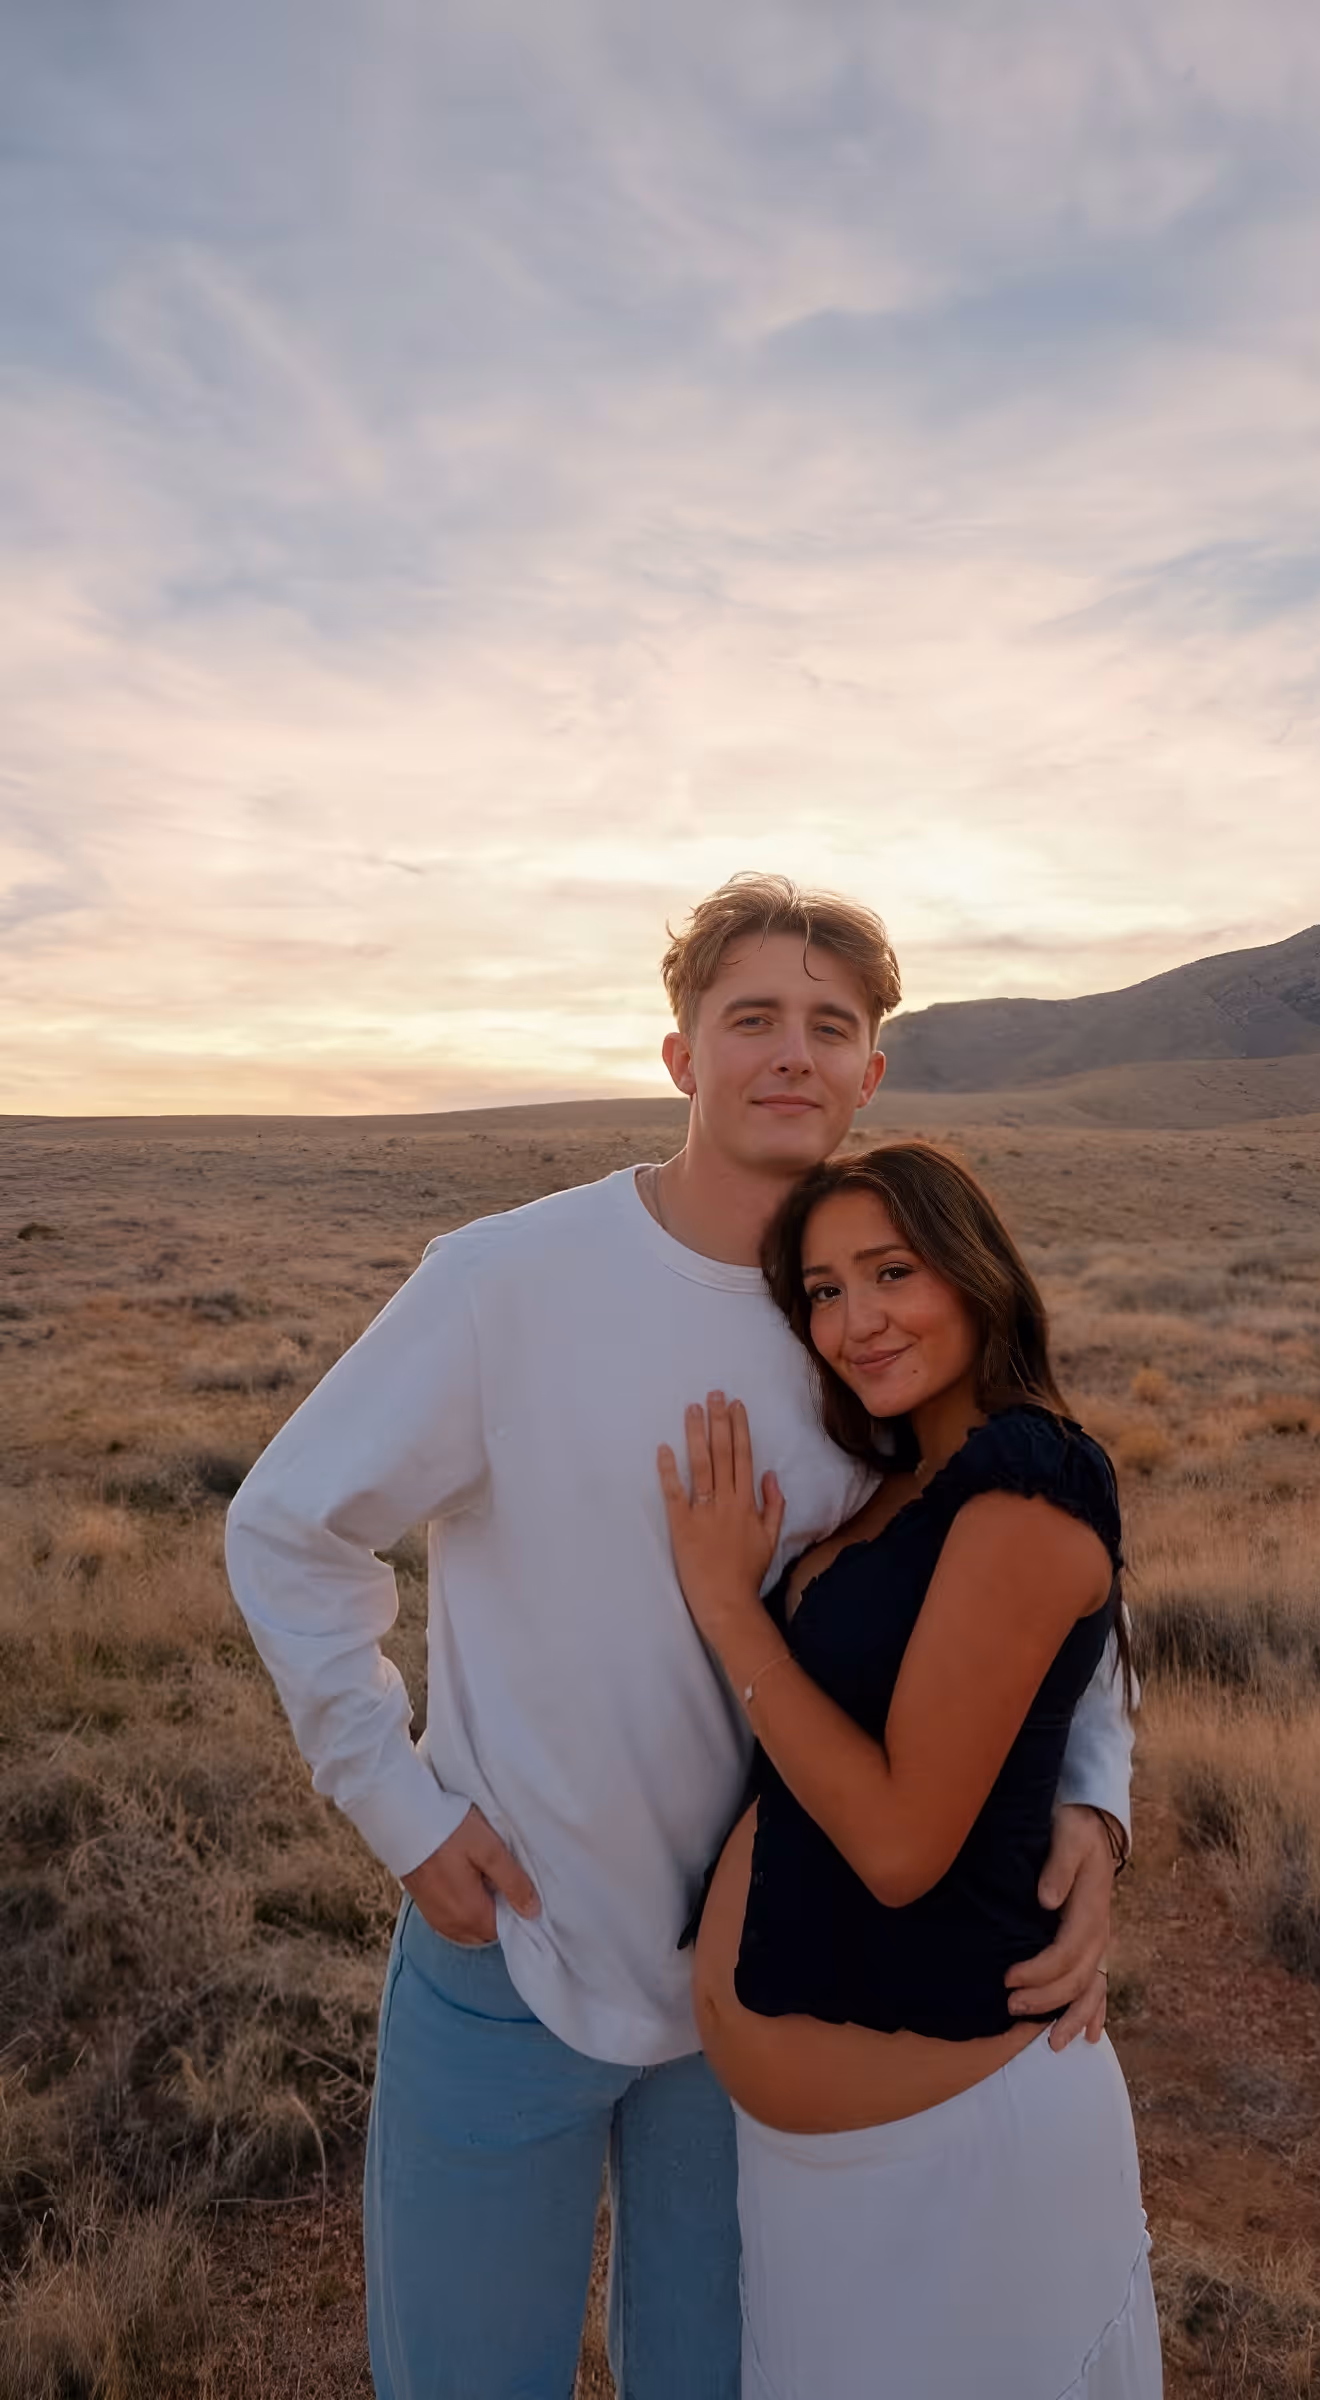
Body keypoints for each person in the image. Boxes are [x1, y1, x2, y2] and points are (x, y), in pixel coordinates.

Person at [225, 874, 1136, 2400]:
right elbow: (286, 1525)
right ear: (681, 1057)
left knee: (716, 2380)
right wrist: (394, 1804)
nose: (791, 1053)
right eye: (752, 1019)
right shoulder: (508, 1283)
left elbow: (1032, 1579)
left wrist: (1094, 1804)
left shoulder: (871, 1322)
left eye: (829, 1026)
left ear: (872, 1073)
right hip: (509, 1939)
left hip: (771, 1985)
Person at [658, 1143, 1160, 2398]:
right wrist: (1097, 1808)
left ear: (976, 1270)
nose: (856, 1320)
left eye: (893, 1271)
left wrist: (731, 1610)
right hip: (811, 2170)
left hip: (958, 2156)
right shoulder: (904, 1483)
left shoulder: (1028, 1486)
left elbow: (896, 1847)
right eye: (822, 1290)